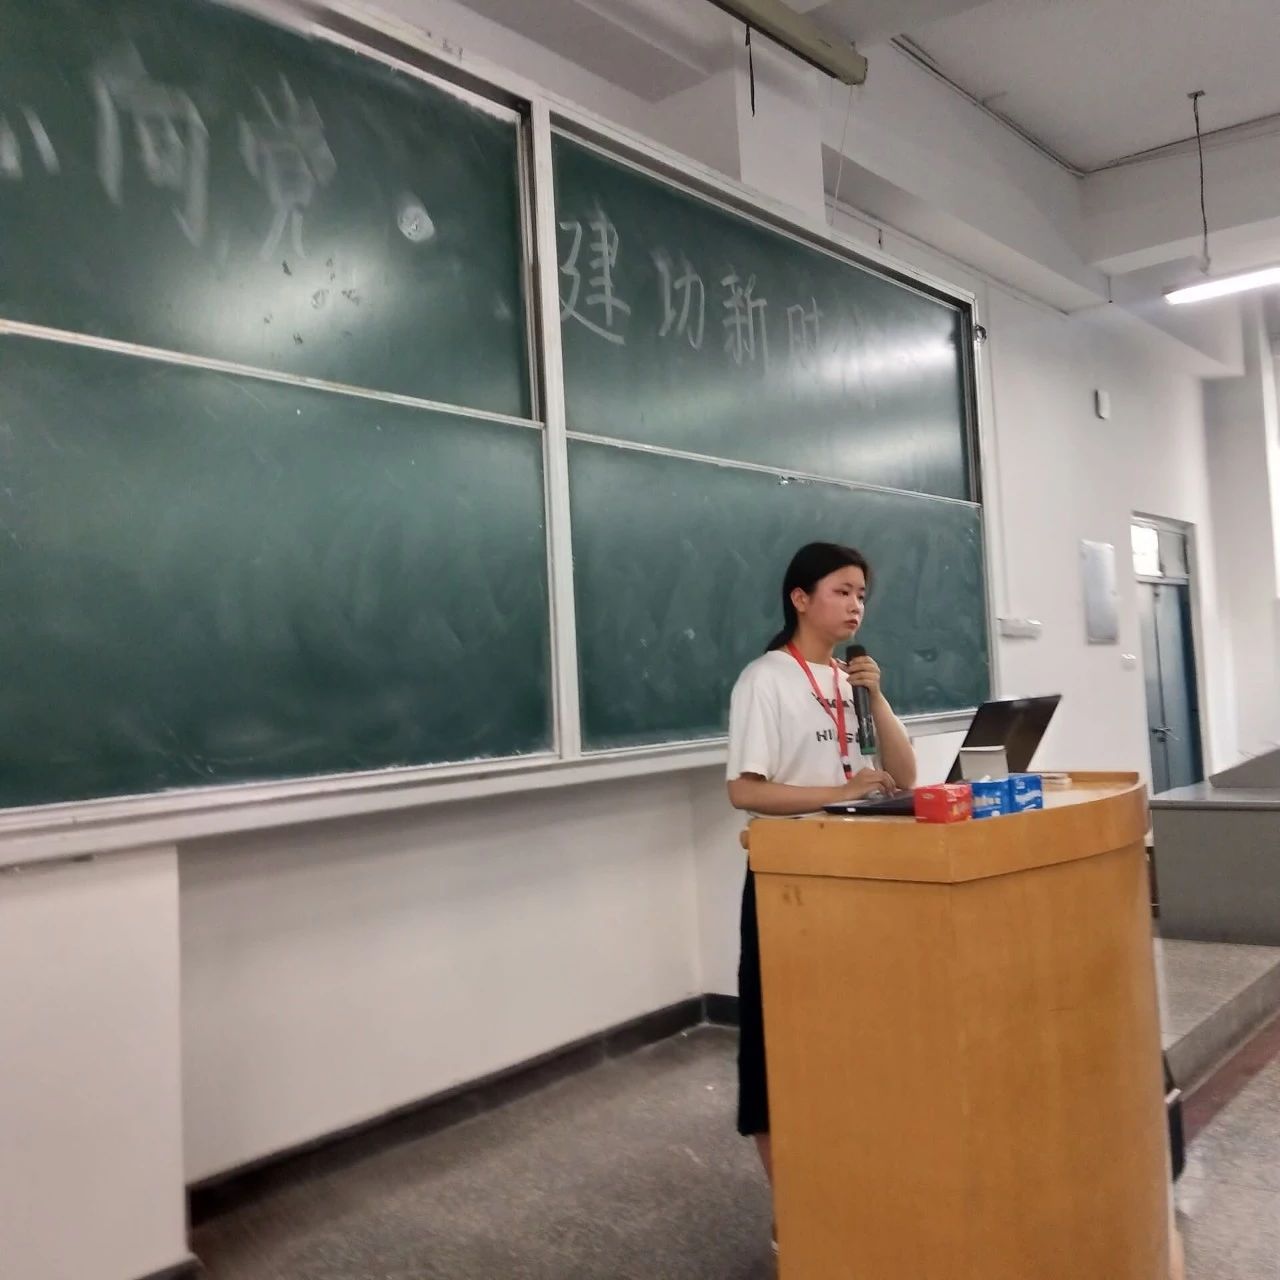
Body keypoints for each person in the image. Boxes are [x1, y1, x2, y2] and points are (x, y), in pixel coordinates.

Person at [725, 541, 918, 1195]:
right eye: (842, 591)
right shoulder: (765, 679)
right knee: (777, 1045)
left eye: (862, 594)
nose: (856, 605)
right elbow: (744, 791)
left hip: (855, 872)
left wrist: (877, 697)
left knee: (846, 1039)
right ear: (800, 598)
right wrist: (840, 793)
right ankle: (794, 1209)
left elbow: (904, 776)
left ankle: (847, 1184)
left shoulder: (849, 681)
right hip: (789, 883)